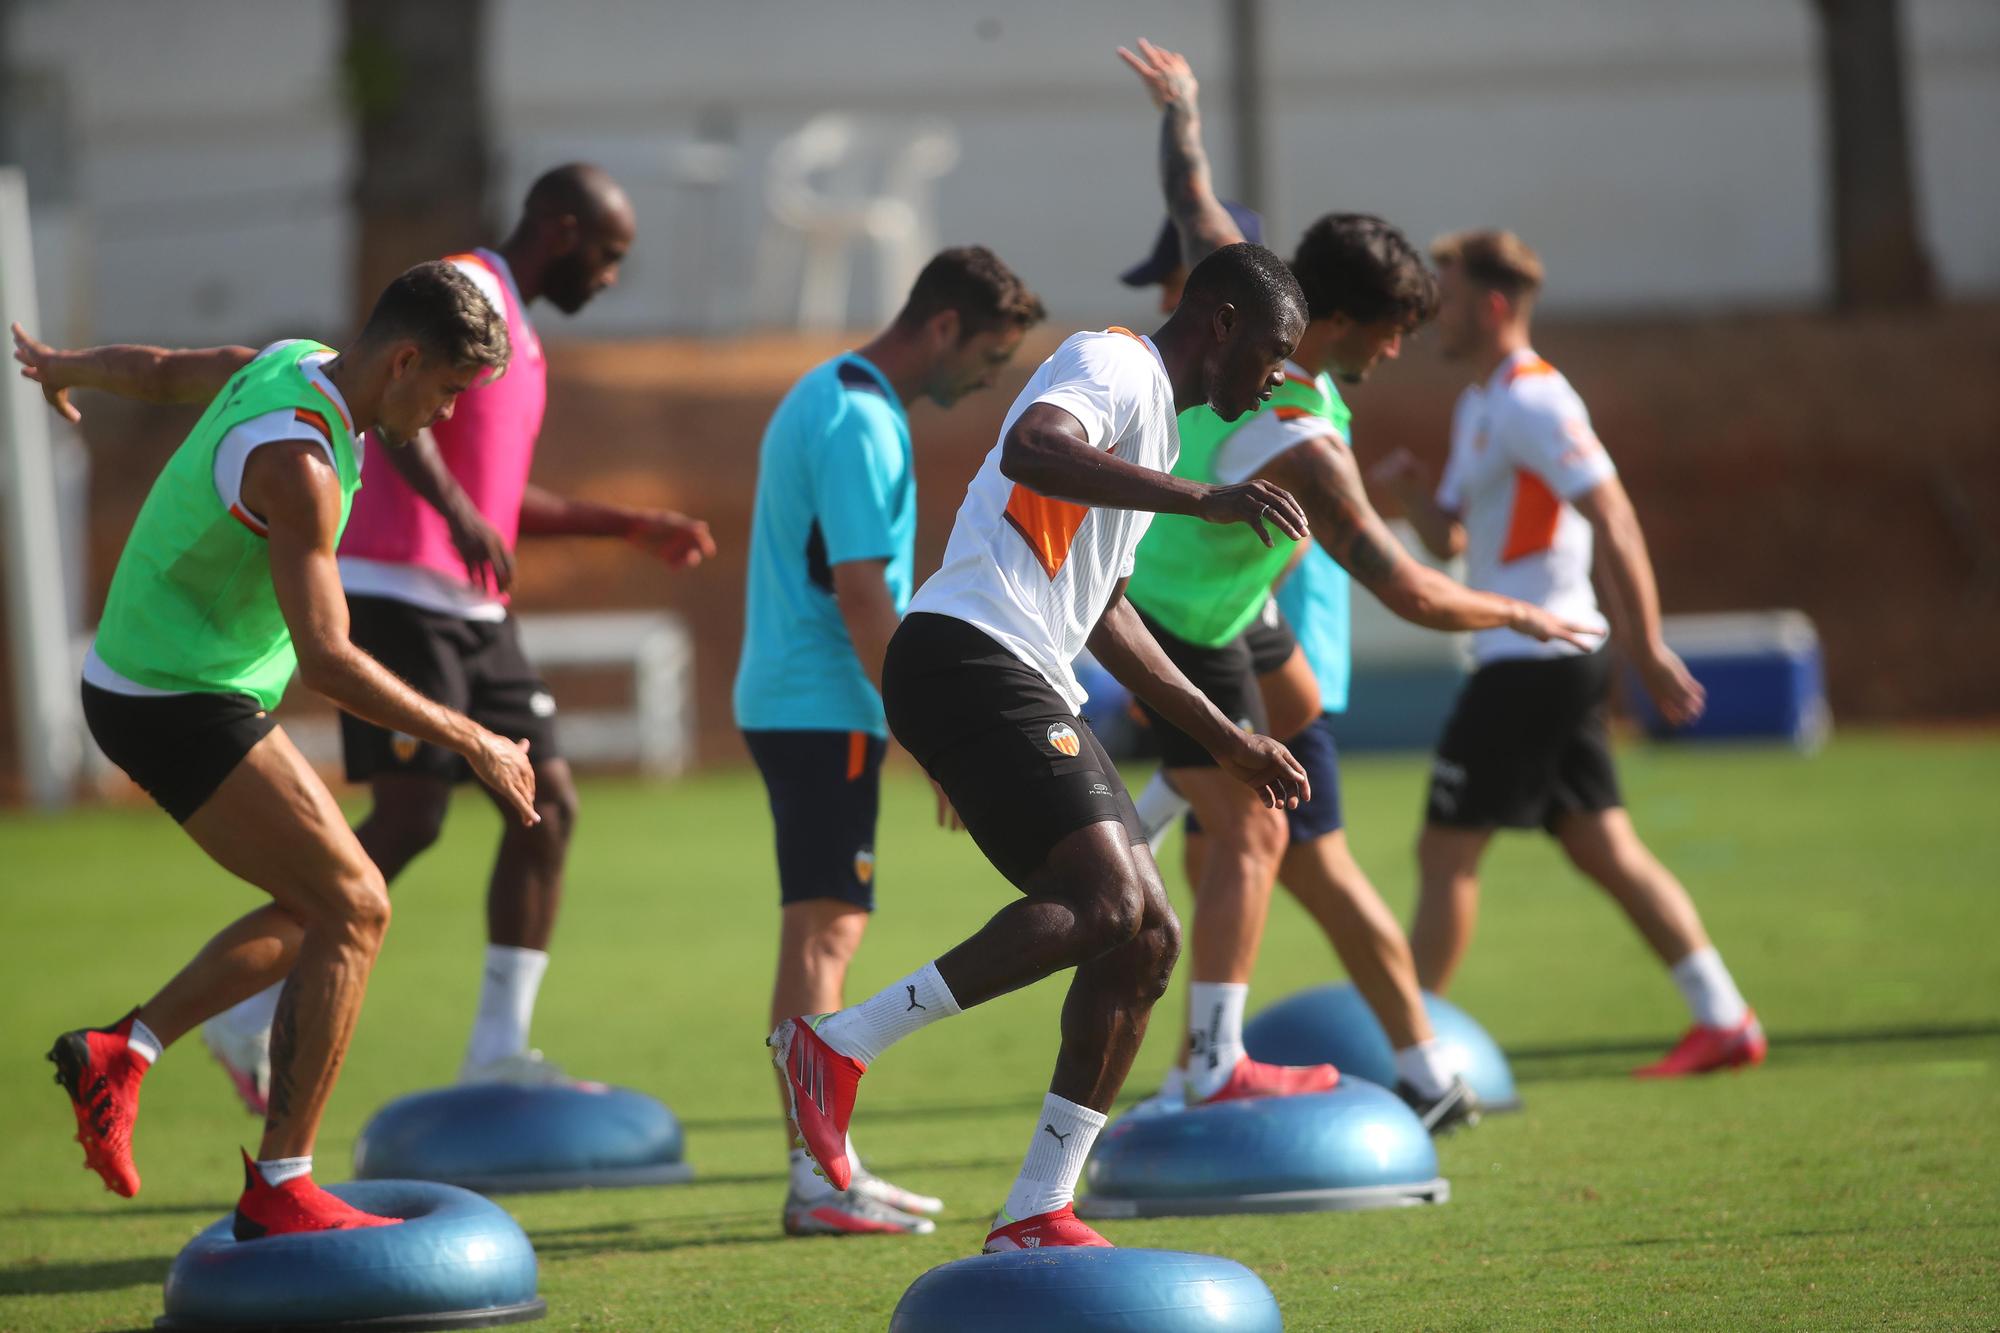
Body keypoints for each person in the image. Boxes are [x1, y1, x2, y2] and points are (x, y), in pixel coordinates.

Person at [772, 239, 1316, 1255]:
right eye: (1276, 351)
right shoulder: (1112, 364)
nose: (1279, 377)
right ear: (1224, 324)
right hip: (973, 654)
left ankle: (1035, 1206)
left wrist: (1228, 738)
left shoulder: (1149, 429)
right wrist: (1208, 498)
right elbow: (1031, 446)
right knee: (1111, 901)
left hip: (1008, 666)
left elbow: (1106, 612)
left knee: (1144, 937)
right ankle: (834, 1046)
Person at [1114, 39, 1595, 1126]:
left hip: (1235, 607)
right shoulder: (1301, 438)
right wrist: (1523, 608)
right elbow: (1410, 593)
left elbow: (1191, 197)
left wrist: (1180, 110)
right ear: (1334, 323)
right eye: (1390, 332)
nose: (1393, 355)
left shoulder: (1242, 288)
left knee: (1297, 717)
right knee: (1254, 836)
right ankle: (1208, 1061)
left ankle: (1144, 804)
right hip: (1181, 621)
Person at [15, 263, 536, 1237]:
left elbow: (173, 369)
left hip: (164, 678)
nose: (449, 413)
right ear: (406, 359)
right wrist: (475, 740)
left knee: (319, 901)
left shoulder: (295, 364)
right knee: (357, 902)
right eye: (451, 390)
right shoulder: (297, 464)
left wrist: (69, 367)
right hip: (172, 696)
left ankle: (121, 1049)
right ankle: (282, 1186)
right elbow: (330, 661)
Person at [186, 164, 713, 1109]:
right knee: (410, 816)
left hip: (475, 611)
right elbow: (392, 416)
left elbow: (500, 509)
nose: (611, 275)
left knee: (546, 803)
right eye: (608, 254)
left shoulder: (520, 330)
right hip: (392, 590)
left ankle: (499, 1048)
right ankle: (244, 1005)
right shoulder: (465, 288)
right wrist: (459, 510)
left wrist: (624, 523)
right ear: (557, 229)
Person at [1371, 228, 1766, 1077]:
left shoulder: (1537, 400)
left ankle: (1412, 1057)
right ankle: (1724, 1016)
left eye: (1444, 292)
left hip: (1536, 658)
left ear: (1495, 305)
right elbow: (1449, 537)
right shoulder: (1480, 404)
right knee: (1603, 847)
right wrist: (1408, 484)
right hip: (1530, 656)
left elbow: (1613, 516)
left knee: (1446, 851)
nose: (1431, 312)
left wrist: (1649, 646)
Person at [734, 246, 1045, 1236]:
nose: (989, 381)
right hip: (821, 703)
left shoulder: (830, 394)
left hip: (802, 700)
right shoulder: (859, 418)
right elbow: (865, 594)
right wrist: (933, 734)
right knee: (828, 931)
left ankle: (820, 1166)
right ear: (943, 325)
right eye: (989, 357)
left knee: (818, 928)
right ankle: (818, 1176)